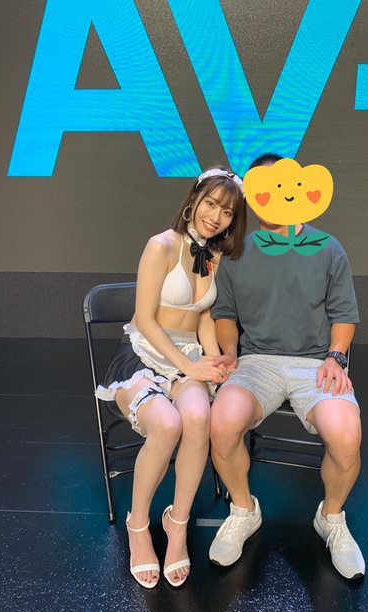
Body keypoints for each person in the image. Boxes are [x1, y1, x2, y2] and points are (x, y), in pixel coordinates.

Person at [209, 153, 365, 580]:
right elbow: (224, 313)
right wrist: (230, 352)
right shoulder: (236, 253)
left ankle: (331, 518)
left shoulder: (328, 248)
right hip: (256, 361)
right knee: (221, 423)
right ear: (253, 195)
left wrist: (336, 356)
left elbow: (344, 314)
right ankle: (244, 509)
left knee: (346, 436)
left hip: (314, 363)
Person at [96, 167, 246, 588]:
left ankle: (177, 524)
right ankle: (138, 524)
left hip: (189, 357)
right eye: (211, 204)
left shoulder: (214, 257)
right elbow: (145, 319)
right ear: (193, 200)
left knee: (198, 417)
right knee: (166, 424)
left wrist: (215, 362)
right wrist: (190, 366)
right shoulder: (160, 245)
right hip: (143, 353)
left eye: (227, 212)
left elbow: (203, 319)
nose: (216, 217)